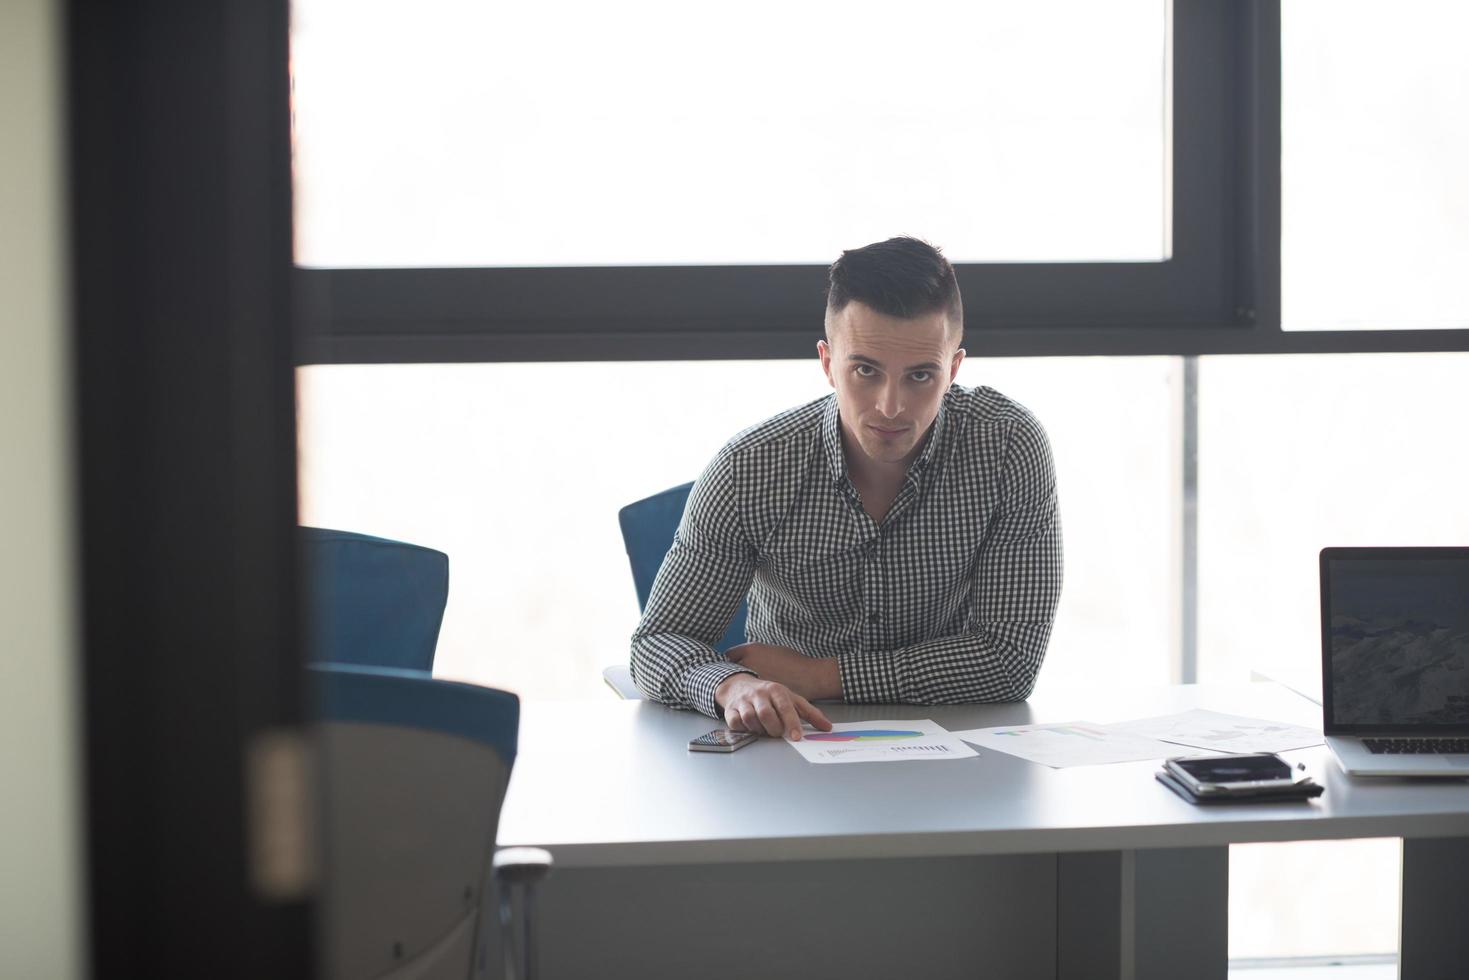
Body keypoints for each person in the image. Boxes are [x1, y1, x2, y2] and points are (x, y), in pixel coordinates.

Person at [630, 237, 1062, 740]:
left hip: (955, 735)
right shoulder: (748, 468)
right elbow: (658, 642)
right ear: (827, 362)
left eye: (921, 375)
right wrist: (734, 687)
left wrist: (823, 676)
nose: (891, 406)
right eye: (865, 370)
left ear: (955, 370)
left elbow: (1009, 662)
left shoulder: (1009, 447)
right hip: (786, 740)